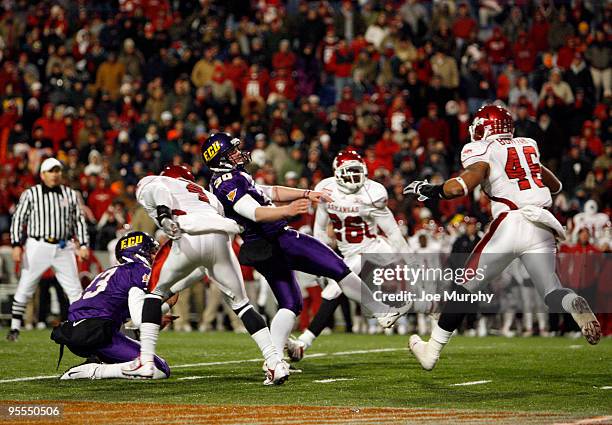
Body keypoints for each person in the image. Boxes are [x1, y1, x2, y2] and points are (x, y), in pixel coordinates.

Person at [403, 104, 601, 371]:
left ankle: (432, 351)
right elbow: (556, 186)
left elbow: (460, 187)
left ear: (485, 127)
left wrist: (429, 189)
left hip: (511, 222)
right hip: (541, 223)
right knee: (551, 291)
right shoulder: (527, 145)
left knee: (464, 287)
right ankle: (572, 301)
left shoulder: (482, 150)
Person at [202, 133, 409, 363]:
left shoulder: (229, 176)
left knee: (290, 303)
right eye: (232, 151)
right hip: (276, 239)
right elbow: (254, 212)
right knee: (337, 267)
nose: (238, 153)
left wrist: (306, 193)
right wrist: (287, 210)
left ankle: (274, 362)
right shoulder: (229, 181)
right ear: (219, 158)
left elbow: (269, 191)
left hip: (260, 246)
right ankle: (381, 311)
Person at [124, 165, 288, 385]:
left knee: (154, 294)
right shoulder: (208, 195)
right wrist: (176, 286)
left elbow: (159, 190)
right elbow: (203, 268)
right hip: (221, 238)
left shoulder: (159, 181)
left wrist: (164, 216)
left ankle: (145, 361)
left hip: (188, 232)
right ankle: (275, 362)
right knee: (243, 305)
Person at [287, 149, 410, 361]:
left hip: (373, 248)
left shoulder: (373, 193)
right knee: (334, 291)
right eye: (349, 171)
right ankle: (303, 343)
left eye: (357, 171)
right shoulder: (325, 190)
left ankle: (383, 312)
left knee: (333, 290)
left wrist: (408, 259)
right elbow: (319, 229)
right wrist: (320, 261)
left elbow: (391, 230)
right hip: (348, 253)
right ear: (337, 173)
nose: (354, 177)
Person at [53, 231, 174, 380]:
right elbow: (139, 320)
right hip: (96, 333)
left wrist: (156, 315)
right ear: (139, 252)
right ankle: (94, 370)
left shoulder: (112, 271)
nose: (156, 256)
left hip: (74, 330)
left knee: (132, 342)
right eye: (152, 251)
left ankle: (97, 359)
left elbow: (127, 319)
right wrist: (167, 303)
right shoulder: (139, 270)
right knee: (158, 368)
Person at [8, 157, 89, 341]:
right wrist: (16, 244)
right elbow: (18, 219)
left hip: (63, 246)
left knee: (74, 290)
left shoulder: (70, 194)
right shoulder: (31, 194)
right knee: (25, 286)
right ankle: (14, 328)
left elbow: (79, 220)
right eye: (51, 171)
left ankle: (81, 326)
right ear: (42, 174)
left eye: (58, 171)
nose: (55, 174)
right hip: (38, 244)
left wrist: (83, 244)